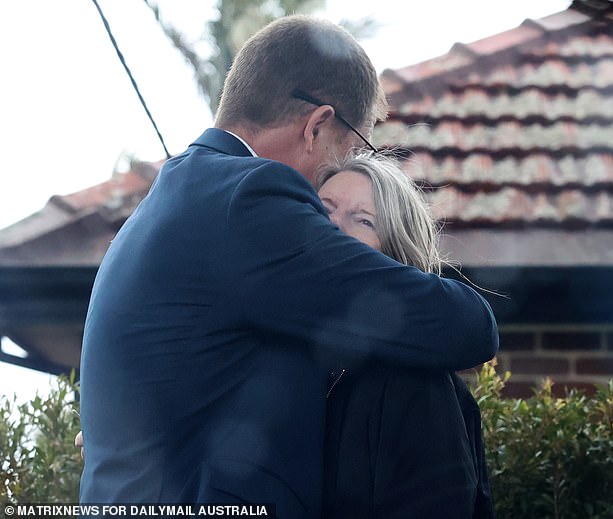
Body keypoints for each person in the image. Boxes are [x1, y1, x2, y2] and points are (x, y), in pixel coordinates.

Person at [79, 14, 498, 517]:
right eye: (351, 146)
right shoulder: (248, 199)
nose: (337, 172)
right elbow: (469, 326)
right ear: (317, 125)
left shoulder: (177, 195)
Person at [315, 153, 495, 518]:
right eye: (323, 208)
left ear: (395, 260)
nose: (332, 226)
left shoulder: (413, 383)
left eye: (363, 220)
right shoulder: (295, 359)